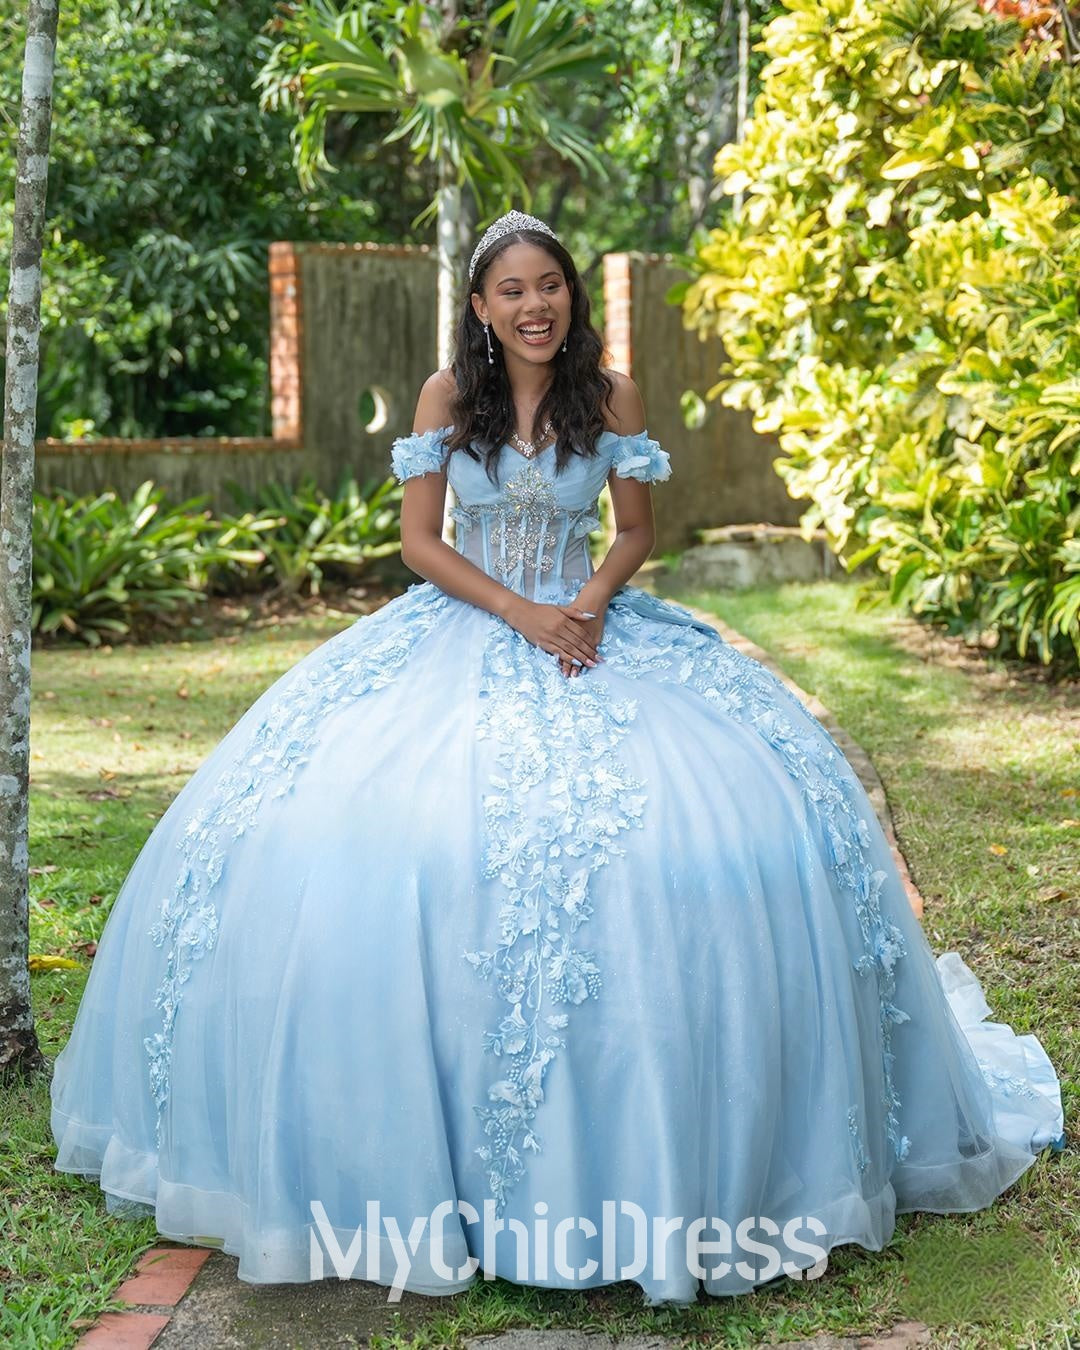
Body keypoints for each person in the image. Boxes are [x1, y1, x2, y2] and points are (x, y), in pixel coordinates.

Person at [51, 210, 1065, 1305]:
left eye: (551, 287)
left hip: (594, 627)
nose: (536, 306)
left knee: (724, 824)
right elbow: (418, 542)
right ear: (481, 309)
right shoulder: (448, 400)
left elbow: (633, 532)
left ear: (569, 297)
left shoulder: (613, 397)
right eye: (513, 291)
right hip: (465, 624)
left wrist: (579, 606)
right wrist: (519, 615)